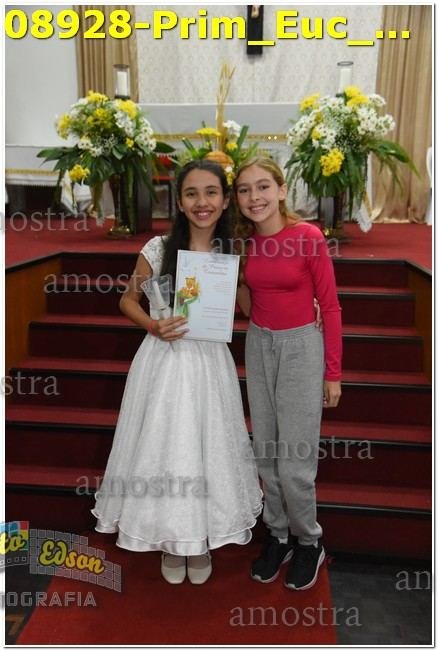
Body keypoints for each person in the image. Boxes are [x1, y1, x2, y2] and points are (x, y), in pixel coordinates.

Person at [92, 160, 262, 585]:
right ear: (180, 202)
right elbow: (127, 301)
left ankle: (199, 539)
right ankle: (171, 539)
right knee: (167, 444)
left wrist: (248, 280)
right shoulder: (158, 248)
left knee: (207, 445)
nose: (202, 202)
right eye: (191, 193)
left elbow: (247, 308)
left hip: (210, 363)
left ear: (225, 201)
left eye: (211, 192)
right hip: (164, 359)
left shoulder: (233, 251)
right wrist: (153, 325)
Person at [233, 156, 342, 591]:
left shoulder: (308, 236)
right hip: (260, 344)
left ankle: (309, 541)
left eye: (263, 186)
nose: (254, 197)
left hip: (301, 348)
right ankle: (278, 535)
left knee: (295, 460)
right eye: (244, 190)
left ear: (281, 190)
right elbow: (249, 304)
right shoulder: (244, 244)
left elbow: (329, 306)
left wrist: (332, 373)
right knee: (267, 451)